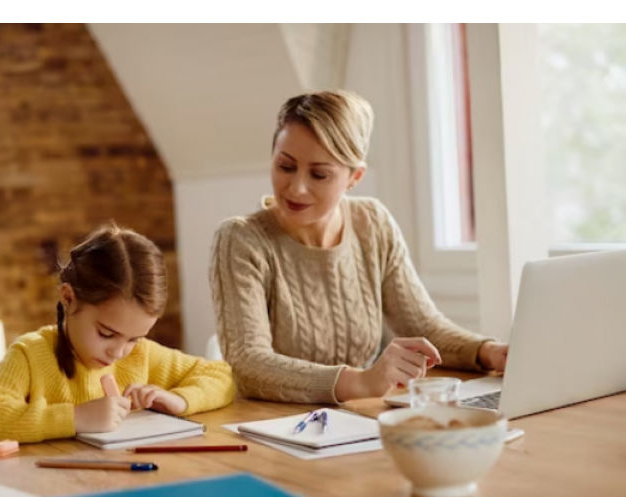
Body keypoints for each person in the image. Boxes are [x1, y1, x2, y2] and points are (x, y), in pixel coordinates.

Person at [209, 90, 508, 404]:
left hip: (354, 420)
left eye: (319, 174)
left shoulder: (372, 222)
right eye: (285, 167)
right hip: (272, 426)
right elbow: (248, 364)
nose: (296, 187)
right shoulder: (240, 239)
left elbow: (422, 326)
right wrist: (361, 382)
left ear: (354, 177)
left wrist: (487, 352)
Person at [0, 223, 234, 445]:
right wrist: (75, 418)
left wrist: (179, 400)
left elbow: (222, 377)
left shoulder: (140, 355)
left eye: (133, 338)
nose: (118, 352)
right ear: (68, 298)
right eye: (106, 334)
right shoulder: (31, 354)